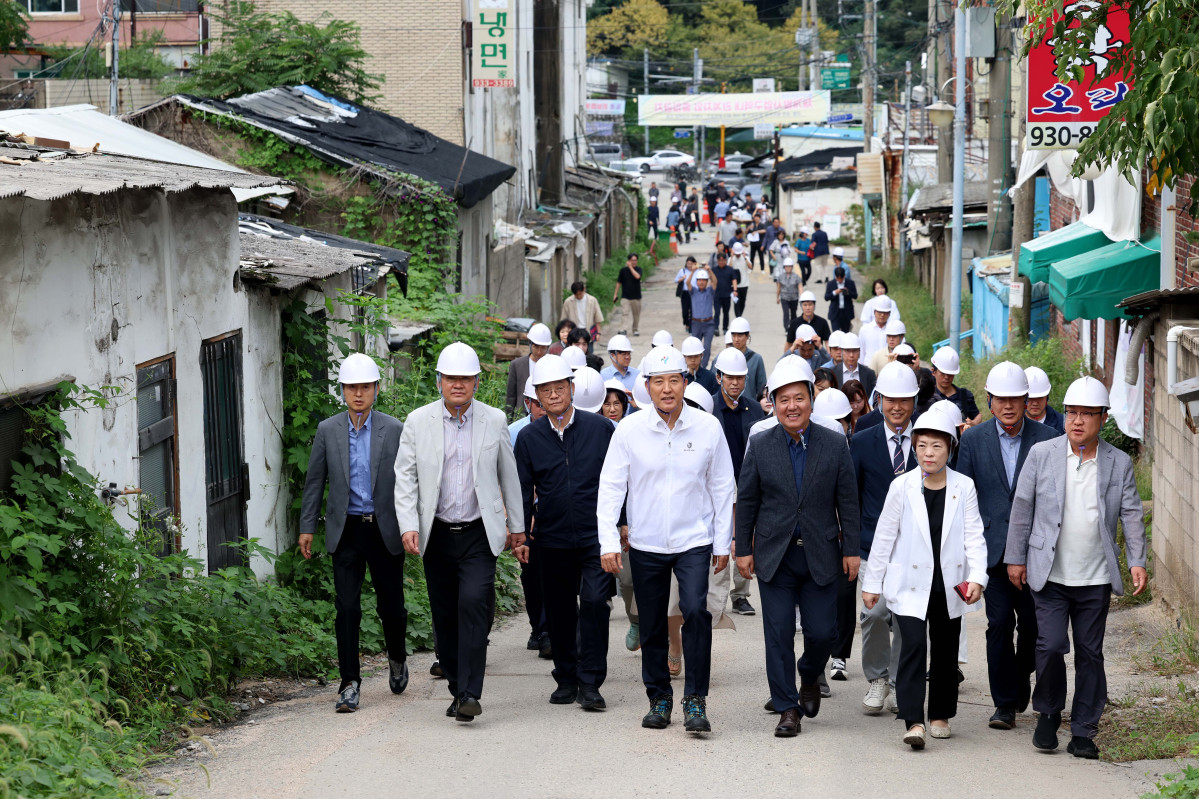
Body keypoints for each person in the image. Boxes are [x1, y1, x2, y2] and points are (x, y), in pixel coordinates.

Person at [1006, 377, 1148, 759]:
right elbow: (1022, 509)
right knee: (1050, 646)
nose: (1078, 421)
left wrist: (1136, 560)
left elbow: (1132, 514)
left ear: (1104, 418)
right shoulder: (1043, 454)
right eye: (1072, 413)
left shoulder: (1118, 462)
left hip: (1096, 576)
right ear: (1064, 415)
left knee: (1090, 652)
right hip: (1050, 573)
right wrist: (1015, 558)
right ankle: (1049, 713)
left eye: (1088, 414)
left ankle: (1084, 729)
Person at [598, 346, 736, 733]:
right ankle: (659, 696)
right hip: (646, 543)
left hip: (694, 539)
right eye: (658, 382)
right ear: (646, 387)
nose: (667, 389)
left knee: (695, 610)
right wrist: (608, 540)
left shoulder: (707, 428)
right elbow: (611, 487)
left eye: (674, 380)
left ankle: (695, 700)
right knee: (653, 622)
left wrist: (723, 542)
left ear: (685, 383)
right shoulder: (630, 430)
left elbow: (724, 487)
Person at [395, 342, 525, 723]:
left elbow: (508, 478)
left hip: (478, 534)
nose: (457, 385)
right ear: (439, 381)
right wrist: (408, 525)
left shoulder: (494, 420)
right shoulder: (418, 421)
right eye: (451, 378)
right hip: (436, 533)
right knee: (445, 615)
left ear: (476, 382)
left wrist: (516, 528)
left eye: (465, 379)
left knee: (472, 605)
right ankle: (456, 683)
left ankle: (470, 693)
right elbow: (404, 479)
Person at [737, 357, 861, 737]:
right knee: (776, 633)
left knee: (823, 632)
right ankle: (787, 708)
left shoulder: (834, 443)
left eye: (799, 398)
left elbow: (848, 500)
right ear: (773, 403)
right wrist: (744, 548)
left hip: (821, 552)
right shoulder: (760, 444)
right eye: (783, 399)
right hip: (776, 554)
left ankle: (809, 673)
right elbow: (747, 502)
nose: (792, 406)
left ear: (811, 398)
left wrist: (851, 548)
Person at [861, 411, 988, 749]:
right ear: (914, 448)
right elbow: (884, 538)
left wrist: (978, 576)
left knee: (946, 652)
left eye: (937, 446)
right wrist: (872, 583)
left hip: (950, 584)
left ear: (950, 448)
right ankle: (913, 719)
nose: (929, 453)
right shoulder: (901, 487)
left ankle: (940, 714)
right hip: (910, 584)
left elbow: (974, 535)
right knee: (913, 648)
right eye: (922, 446)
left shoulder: (965, 487)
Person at [299, 353, 408, 713]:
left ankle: (396, 656)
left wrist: (412, 525)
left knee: (390, 606)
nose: (358, 394)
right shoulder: (328, 430)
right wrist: (307, 527)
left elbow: (409, 481)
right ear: (342, 391)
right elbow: (315, 480)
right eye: (351, 387)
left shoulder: (393, 429)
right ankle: (350, 682)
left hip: (383, 530)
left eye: (364, 387)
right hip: (345, 530)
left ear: (376, 389)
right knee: (346, 608)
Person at [954, 361, 1060, 732]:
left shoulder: (1047, 439)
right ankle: (1003, 704)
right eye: (1001, 399)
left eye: (1016, 399)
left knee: (1032, 626)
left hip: (1036, 552)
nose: (1009, 406)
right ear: (990, 400)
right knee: (998, 624)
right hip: (992, 550)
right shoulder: (973, 440)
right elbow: (963, 495)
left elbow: (1053, 500)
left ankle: (1020, 680)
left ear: (1026, 399)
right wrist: (967, 554)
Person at [513, 355, 618, 711]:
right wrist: (521, 535)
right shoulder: (528, 438)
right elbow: (523, 489)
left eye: (560, 387)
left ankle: (591, 682)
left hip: (595, 537)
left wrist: (621, 525)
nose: (554, 394)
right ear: (537, 396)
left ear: (572, 389)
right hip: (551, 538)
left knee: (593, 605)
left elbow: (619, 483)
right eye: (546, 389)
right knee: (558, 610)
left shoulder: (600, 429)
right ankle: (566, 677)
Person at [851, 362, 922, 716]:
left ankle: (896, 682)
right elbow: (851, 497)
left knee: (906, 618)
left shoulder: (927, 440)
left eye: (905, 400)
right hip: (871, 545)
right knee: (875, 613)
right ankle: (877, 678)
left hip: (914, 548)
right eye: (890, 400)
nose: (897, 407)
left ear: (915, 401)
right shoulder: (862, 441)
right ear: (879, 400)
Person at [710, 347, 766, 617]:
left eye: (740, 378)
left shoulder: (754, 409)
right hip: (717, 484)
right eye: (729, 377)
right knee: (718, 536)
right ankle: (716, 597)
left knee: (745, 535)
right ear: (719, 376)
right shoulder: (708, 407)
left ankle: (741, 594)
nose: (734, 382)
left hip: (747, 483)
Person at [506, 375, 551, 657]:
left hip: (550, 510)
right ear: (527, 403)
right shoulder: (514, 433)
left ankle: (548, 631)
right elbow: (508, 477)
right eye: (537, 403)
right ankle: (538, 626)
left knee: (552, 571)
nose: (543, 408)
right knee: (530, 573)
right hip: (523, 509)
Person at [505, 322, 552, 417]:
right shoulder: (517, 365)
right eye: (536, 347)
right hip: (522, 414)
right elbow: (511, 396)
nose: (539, 351)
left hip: (546, 414)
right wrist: (509, 420)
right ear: (530, 344)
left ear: (548, 347)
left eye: (543, 348)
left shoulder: (552, 365)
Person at [930, 347, 982, 425]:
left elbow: (978, 415)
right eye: (943, 373)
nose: (946, 377)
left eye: (950, 374)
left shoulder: (965, 395)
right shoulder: (927, 396)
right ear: (933, 372)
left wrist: (973, 423)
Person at [728, 317, 767, 401]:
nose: (736, 339)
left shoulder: (756, 359)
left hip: (749, 409)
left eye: (740, 335)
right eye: (733, 335)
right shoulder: (722, 358)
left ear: (747, 336)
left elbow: (762, 388)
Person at [685, 268, 718, 369]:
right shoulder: (693, 291)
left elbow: (715, 281)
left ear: (707, 281)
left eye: (704, 280)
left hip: (709, 323)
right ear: (697, 281)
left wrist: (709, 271)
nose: (701, 282)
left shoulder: (710, 291)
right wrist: (693, 271)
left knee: (707, 347)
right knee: (695, 347)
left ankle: (703, 366)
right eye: (699, 280)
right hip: (696, 323)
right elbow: (687, 282)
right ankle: (695, 366)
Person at [560, 282, 603, 350]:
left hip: (588, 332)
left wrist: (598, 333)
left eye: (580, 294)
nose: (579, 296)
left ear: (584, 290)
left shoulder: (592, 300)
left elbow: (597, 318)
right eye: (576, 295)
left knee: (588, 354)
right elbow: (564, 321)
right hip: (574, 333)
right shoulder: (568, 302)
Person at [1024, 367, 1065, 434]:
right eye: (1030, 398)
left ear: (1047, 397)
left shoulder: (1062, 424)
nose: (1035, 403)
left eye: (1039, 398)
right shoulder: (1015, 424)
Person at [837, 333, 876, 398]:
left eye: (854, 351)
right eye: (847, 351)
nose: (851, 355)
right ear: (841, 351)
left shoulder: (869, 374)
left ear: (859, 351)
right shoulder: (833, 372)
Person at [508, 376, 546, 446]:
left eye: (548, 403)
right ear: (528, 403)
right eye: (539, 404)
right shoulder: (513, 432)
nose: (544, 409)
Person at [614, 253, 644, 337]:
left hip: (636, 296)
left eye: (635, 260)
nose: (634, 262)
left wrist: (630, 267)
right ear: (629, 261)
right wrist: (615, 294)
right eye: (632, 260)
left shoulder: (639, 269)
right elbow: (619, 282)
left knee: (636, 314)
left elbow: (637, 277)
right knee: (625, 313)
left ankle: (635, 329)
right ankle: (624, 329)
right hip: (625, 296)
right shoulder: (623, 271)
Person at [859, 296, 894, 365]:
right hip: (868, 368)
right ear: (874, 312)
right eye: (879, 312)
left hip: (888, 368)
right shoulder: (865, 330)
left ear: (889, 313)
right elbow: (861, 353)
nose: (882, 315)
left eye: (885, 312)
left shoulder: (893, 331)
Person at [710, 253, 739, 335]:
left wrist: (735, 290)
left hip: (727, 295)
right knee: (717, 312)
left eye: (723, 260)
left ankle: (725, 328)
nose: (721, 262)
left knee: (726, 313)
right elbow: (711, 281)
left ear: (726, 260)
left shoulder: (730, 270)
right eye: (719, 260)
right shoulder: (714, 270)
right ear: (717, 261)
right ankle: (716, 328)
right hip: (717, 295)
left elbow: (734, 280)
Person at [825, 266, 858, 333]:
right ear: (835, 277)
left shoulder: (850, 283)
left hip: (846, 313)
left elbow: (855, 296)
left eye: (841, 279)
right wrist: (835, 292)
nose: (840, 280)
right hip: (835, 312)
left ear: (844, 276)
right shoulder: (831, 284)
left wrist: (848, 292)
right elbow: (826, 297)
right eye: (838, 278)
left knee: (845, 334)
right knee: (836, 333)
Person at [776, 258, 802, 333]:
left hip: (794, 298)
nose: (788, 268)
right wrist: (777, 297)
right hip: (784, 298)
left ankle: (793, 327)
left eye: (790, 266)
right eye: (786, 266)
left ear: (792, 267)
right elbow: (778, 288)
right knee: (786, 313)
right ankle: (787, 328)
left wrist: (802, 297)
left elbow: (800, 287)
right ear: (784, 267)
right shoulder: (780, 277)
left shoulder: (796, 276)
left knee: (793, 313)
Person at [729, 243, 751, 319]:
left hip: (744, 284)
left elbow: (751, 267)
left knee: (743, 302)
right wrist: (731, 257)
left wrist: (745, 258)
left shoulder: (745, 257)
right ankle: (738, 317)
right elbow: (729, 268)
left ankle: (740, 316)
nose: (738, 255)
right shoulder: (731, 259)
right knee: (736, 302)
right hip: (735, 285)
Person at [675, 256, 698, 330]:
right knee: (685, 311)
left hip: (694, 292)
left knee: (693, 310)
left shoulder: (697, 271)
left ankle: (691, 326)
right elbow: (676, 280)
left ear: (694, 264)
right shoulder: (683, 271)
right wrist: (682, 278)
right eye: (688, 263)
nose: (690, 265)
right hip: (685, 293)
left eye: (691, 264)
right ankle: (686, 323)